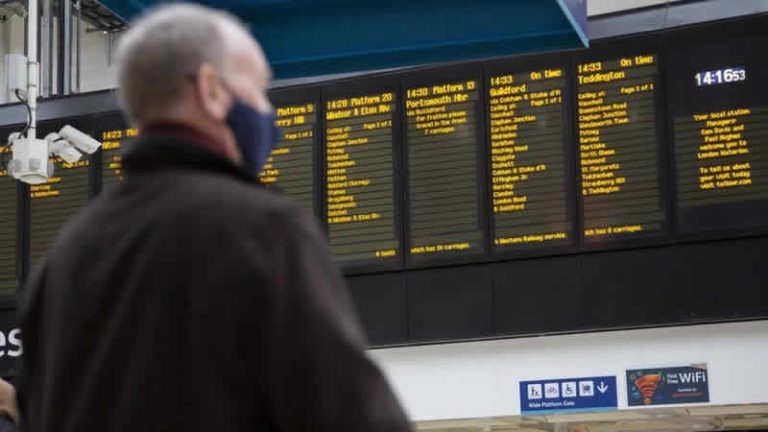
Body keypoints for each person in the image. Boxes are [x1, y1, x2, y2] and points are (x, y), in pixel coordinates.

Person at [17, 4, 411, 431]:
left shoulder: (64, 258)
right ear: (211, 89)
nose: (267, 112)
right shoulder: (262, 228)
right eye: (259, 88)